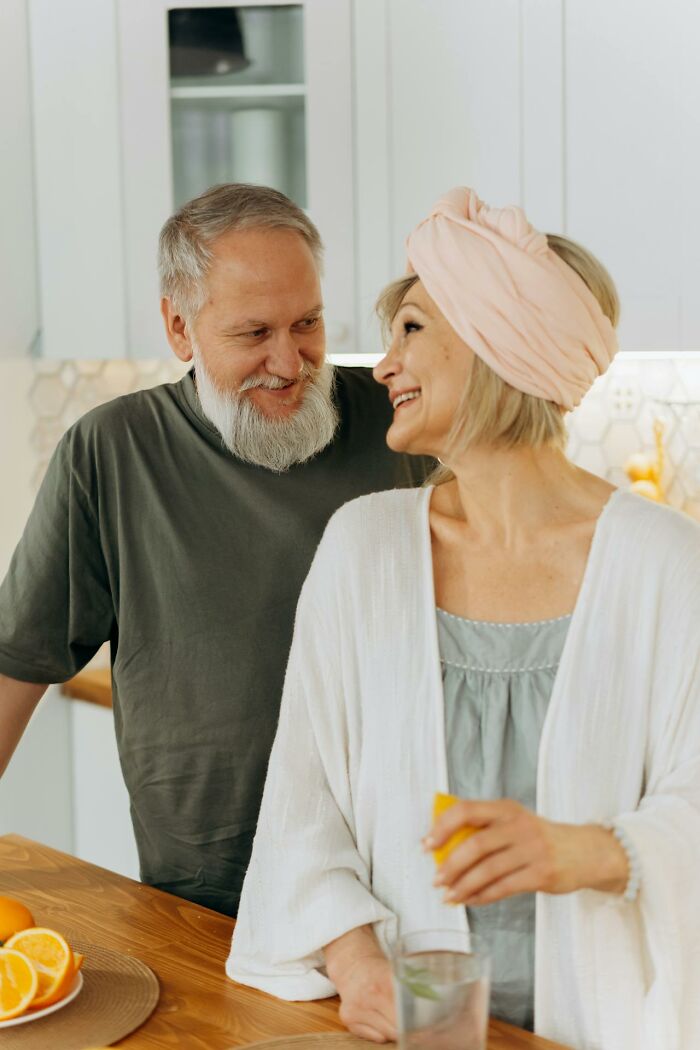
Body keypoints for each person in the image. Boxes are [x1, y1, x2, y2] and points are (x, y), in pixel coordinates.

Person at [228, 188, 700, 1050]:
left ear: (493, 345)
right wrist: (357, 964)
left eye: (410, 328)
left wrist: (592, 852)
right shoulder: (363, 549)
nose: (382, 365)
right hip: (411, 1031)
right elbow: (304, 804)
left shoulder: (668, 567)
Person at [0, 183, 430, 916]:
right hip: (205, 890)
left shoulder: (402, 423)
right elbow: (17, 663)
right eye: (253, 333)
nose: (290, 362)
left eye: (309, 323)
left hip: (399, 870)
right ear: (179, 329)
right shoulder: (112, 452)